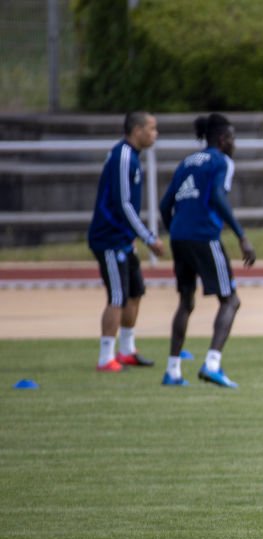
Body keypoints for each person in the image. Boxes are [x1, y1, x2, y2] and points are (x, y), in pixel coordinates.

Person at [159, 113, 256, 388]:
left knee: (185, 302)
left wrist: (177, 230)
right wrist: (241, 236)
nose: (235, 144)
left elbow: (165, 205)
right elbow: (216, 195)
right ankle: (212, 364)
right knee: (230, 300)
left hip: (180, 237)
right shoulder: (221, 161)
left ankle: (173, 371)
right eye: (233, 138)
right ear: (224, 140)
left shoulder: (187, 162)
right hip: (204, 236)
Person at [87, 111, 165, 372]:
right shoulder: (123, 156)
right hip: (109, 239)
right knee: (117, 297)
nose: (155, 134)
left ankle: (127, 350)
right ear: (137, 130)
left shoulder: (132, 157)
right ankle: (105, 357)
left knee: (135, 292)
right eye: (151, 128)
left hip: (123, 238)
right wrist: (148, 237)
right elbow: (123, 204)